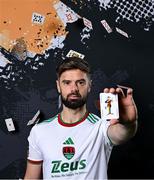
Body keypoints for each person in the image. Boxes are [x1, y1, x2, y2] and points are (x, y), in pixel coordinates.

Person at [24, 57, 138, 179]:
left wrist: (129, 123)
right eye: (67, 82)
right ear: (58, 86)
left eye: (80, 82)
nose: (74, 89)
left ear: (89, 85)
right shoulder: (39, 131)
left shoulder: (101, 128)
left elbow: (122, 133)